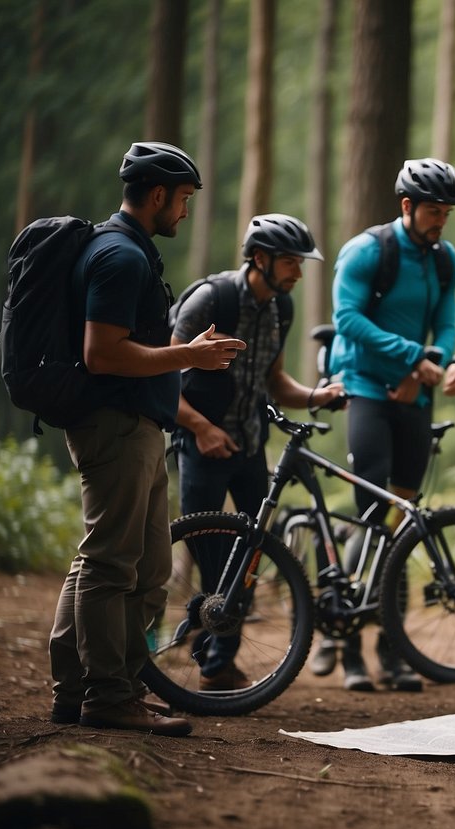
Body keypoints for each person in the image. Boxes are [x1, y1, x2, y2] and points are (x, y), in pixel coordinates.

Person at [48, 141, 247, 736]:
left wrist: (185, 356)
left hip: (139, 426)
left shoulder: (129, 252)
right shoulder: (119, 257)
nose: (184, 212)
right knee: (111, 565)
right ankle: (107, 695)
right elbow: (102, 354)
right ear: (158, 194)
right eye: (183, 199)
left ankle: (89, 688)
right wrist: (190, 355)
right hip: (116, 426)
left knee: (139, 569)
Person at [171, 213, 344, 691]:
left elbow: (274, 381)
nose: (299, 273)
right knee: (212, 555)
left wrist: (316, 396)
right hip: (201, 445)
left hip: (249, 447)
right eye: (291, 262)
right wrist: (202, 428)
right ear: (261, 258)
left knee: (248, 558)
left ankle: (212, 661)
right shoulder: (212, 300)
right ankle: (210, 656)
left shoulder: (279, 309)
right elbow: (164, 377)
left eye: (301, 263)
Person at [320, 158, 455, 692]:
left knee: (405, 521)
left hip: (413, 395)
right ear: (407, 206)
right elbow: (348, 321)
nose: (441, 221)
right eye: (434, 211)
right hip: (364, 386)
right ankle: (351, 648)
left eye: (447, 213)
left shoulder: (444, 259)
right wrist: (412, 359)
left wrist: (441, 363)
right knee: (373, 510)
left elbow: (446, 324)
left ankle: (393, 648)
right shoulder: (367, 251)